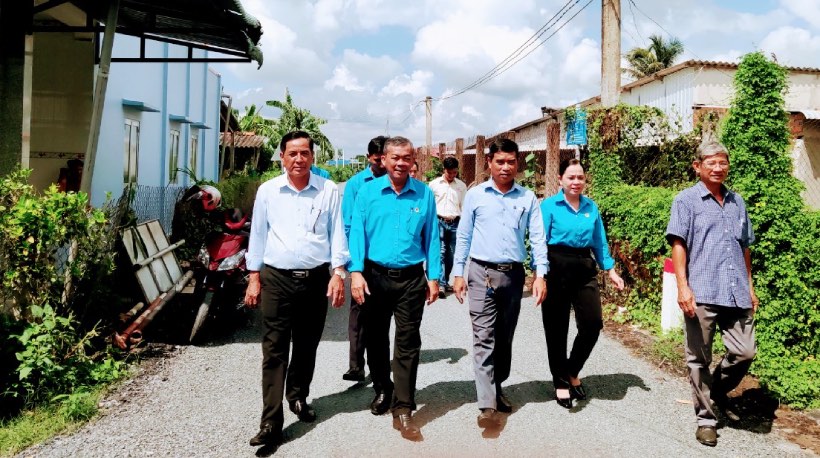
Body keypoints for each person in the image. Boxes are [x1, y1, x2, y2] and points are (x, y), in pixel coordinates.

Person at [244, 131, 349, 448]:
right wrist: (254, 276)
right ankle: (270, 421)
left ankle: (298, 396)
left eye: (304, 153)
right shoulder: (268, 191)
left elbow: (337, 235)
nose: (299, 159)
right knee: (274, 349)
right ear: (282, 157)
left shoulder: (328, 191)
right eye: (292, 153)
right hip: (277, 279)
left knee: (306, 344)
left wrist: (338, 273)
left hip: (315, 278)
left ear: (312, 157)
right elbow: (258, 235)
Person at [665, 141, 758, 447]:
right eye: (711, 163)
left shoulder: (737, 202)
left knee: (745, 351)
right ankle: (706, 420)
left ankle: (717, 389)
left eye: (723, 163)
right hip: (702, 290)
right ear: (698, 167)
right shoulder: (686, 200)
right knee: (699, 358)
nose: (718, 168)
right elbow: (679, 244)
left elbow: (744, 247)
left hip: (735, 291)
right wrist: (683, 286)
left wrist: (750, 286)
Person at [348, 136, 441, 441]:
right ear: (384, 160)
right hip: (374, 277)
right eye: (395, 157)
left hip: (411, 279)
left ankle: (404, 407)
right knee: (375, 338)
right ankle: (382, 388)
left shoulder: (424, 194)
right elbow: (357, 235)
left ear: (413, 161)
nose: (401, 163)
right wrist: (356, 273)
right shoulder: (367, 192)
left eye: (407, 158)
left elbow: (432, 238)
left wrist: (434, 276)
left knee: (408, 342)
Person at [453, 138, 548, 429]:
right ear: (490, 164)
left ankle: (497, 387)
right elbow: (464, 235)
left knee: (504, 336)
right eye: (500, 162)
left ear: (516, 164)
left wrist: (540, 274)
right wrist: (458, 272)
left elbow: (538, 237)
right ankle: (486, 405)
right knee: (484, 338)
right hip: (480, 273)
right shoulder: (476, 195)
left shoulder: (527, 197)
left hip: (513, 275)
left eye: (510, 162)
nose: (505, 167)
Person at [538, 158, 625, 409]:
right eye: (571, 177)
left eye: (580, 178)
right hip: (556, 265)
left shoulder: (591, 207)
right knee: (556, 329)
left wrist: (610, 270)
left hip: (584, 267)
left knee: (592, 324)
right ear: (561, 180)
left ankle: (571, 370)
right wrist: (540, 275)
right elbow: (539, 241)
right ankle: (561, 382)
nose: (576, 182)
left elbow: (599, 241)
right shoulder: (549, 206)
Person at [339, 135, 388, 382]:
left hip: (387, 262)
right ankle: (356, 365)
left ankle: (380, 363)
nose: (383, 163)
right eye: (379, 159)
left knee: (382, 315)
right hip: (363, 260)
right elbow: (348, 224)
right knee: (359, 311)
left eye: (385, 158)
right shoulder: (356, 184)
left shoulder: (399, 183)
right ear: (370, 157)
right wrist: (351, 264)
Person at [429, 157, 467, 298]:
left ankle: (444, 279)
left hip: (455, 223)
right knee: (441, 252)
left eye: (454, 172)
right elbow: (430, 206)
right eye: (449, 172)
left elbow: (464, 207)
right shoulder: (433, 185)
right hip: (438, 221)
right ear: (444, 170)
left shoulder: (461, 186)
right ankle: (442, 284)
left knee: (451, 254)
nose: (451, 175)